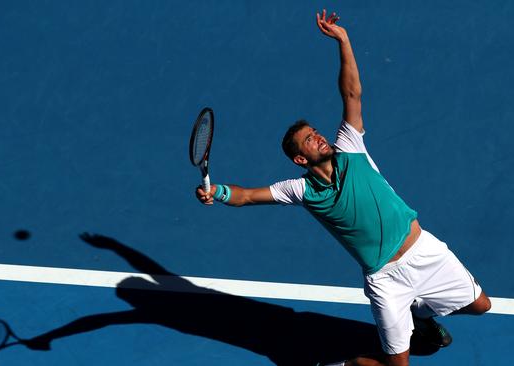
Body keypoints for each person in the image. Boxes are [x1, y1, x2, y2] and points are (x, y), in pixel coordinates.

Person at [195, 10, 491, 366]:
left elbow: (351, 92)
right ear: (300, 160)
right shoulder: (301, 190)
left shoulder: (350, 146)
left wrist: (343, 40)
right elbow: (246, 195)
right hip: (385, 280)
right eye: (308, 140)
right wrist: (218, 193)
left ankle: (421, 319)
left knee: (480, 305)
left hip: (423, 251)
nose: (318, 137)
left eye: (315, 132)